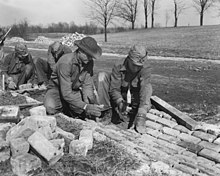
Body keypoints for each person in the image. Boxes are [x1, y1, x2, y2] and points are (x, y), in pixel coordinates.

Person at [94, 44, 152, 133]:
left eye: (139, 66)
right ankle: (106, 112)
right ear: (128, 59)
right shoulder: (119, 65)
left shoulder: (146, 68)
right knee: (102, 76)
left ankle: (137, 115)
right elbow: (114, 89)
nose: (136, 68)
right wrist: (120, 102)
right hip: (121, 94)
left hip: (135, 96)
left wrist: (141, 113)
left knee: (148, 88)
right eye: (134, 65)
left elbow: (144, 90)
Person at [44, 36, 103, 119]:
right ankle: (65, 108)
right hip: (56, 89)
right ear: (80, 51)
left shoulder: (89, 62)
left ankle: (70, 110)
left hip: (73, 91)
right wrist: (85, 106)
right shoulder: (66, 62)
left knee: (80, 112)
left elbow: (87, 85)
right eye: (88, 55)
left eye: (91, 57)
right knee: (50, 107)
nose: (90, 59)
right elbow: (66, 93)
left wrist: (89, 105)